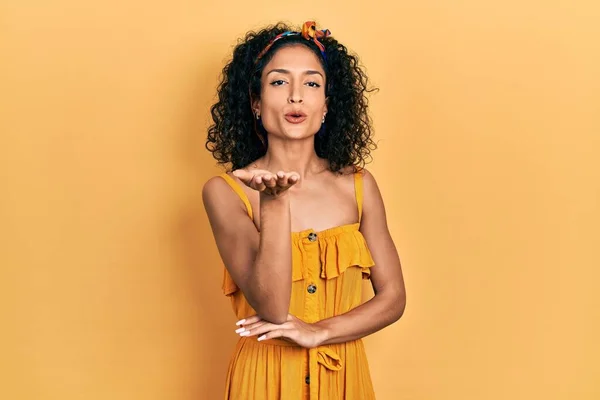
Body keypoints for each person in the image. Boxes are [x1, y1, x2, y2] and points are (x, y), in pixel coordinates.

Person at [202, 21, 406, 400]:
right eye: (279, 82)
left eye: (312, 83)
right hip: (263, 380)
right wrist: (275, 202)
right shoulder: (226, 192)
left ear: (327, 104)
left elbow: (393, 297)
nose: (296, 96)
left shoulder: (359, 185)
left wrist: (321, 331)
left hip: (344, 379)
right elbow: (273, 308)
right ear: (256, 102)